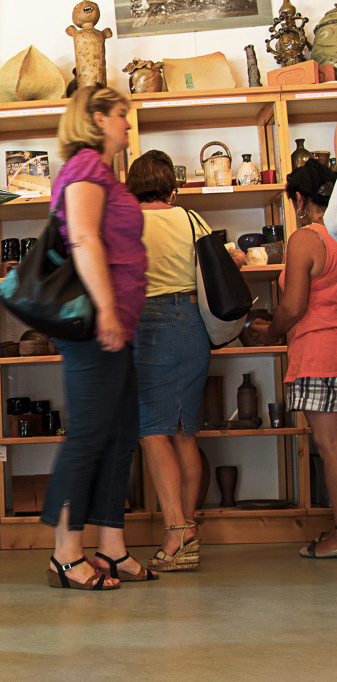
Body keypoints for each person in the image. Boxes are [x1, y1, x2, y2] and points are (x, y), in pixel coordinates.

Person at [39, 86, 153, 591]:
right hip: (94, 321)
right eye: (122, 114)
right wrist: (106, 309)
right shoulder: (85, 166)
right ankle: (65, 555)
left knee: (121, 434)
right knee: (87, 435)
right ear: (97, 118)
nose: (128, 123)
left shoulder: (103, 172)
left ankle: (111, 547)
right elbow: (83, 237)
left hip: (117, 321)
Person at [125, 150, 243, 571]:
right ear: (170, 187)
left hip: (150, 324)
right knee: (183, 433)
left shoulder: (127, 222)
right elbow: (230, 261)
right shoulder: (192, 220)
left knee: (151, 431)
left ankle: (177, 533)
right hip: (193, 325)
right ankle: (185, 529)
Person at [261, 159, 337, 557]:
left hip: (319, 356)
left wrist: (269, 333)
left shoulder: (307, 238)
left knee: (331, 448)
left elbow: (292, 307)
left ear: (300, 200)